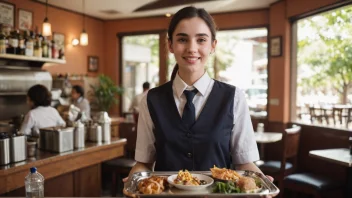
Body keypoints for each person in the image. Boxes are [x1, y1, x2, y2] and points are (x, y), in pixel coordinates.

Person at [126, 6, 273, 185]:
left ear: (213, 46)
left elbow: (244, 162)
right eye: (182, 39)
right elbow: (144, 162)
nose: (191, 48)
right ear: (170, 45)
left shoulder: (234, 97)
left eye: (201, 39)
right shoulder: (151, 100)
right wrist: (133, 181)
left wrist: (262, 183)